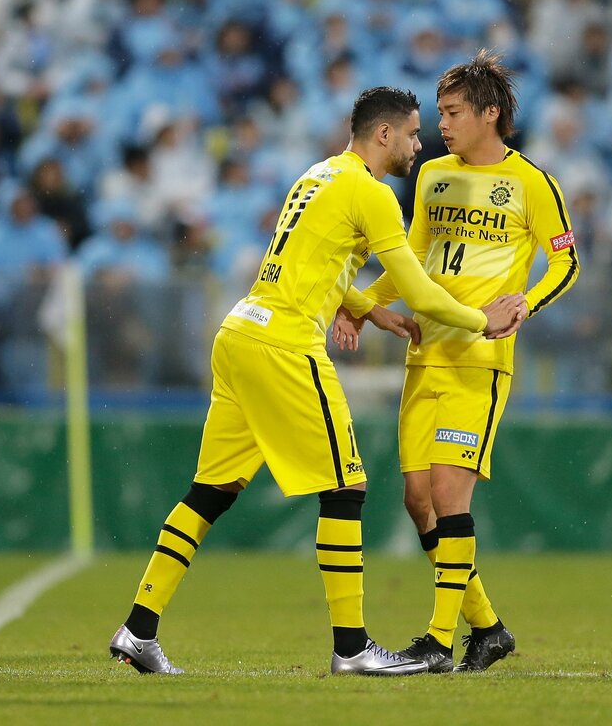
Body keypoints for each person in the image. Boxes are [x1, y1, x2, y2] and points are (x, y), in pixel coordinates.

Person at [108, 86, 525, 678]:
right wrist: (484, 320)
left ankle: (139, 628)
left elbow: (309, 260)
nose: (418, 142)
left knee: (209, 492)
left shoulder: (317, 176)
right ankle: (352, 647)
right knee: (347, 487)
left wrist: (369, 308)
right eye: (411, 133)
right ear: (384, 135)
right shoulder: (373, 193)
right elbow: (421, 287)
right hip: (285, 344)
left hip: (239, 332)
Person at [337, 53, 579, 673]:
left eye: (451, 113)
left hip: (481, 359)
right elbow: (410, 261)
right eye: (439, 113)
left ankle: (438, 643)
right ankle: (489, 628)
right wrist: (365, 307)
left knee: (448, 492)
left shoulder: (531, 183)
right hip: (426, 355)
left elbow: (566, 262)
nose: (441, 125)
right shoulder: (432, 177)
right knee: (419, 500)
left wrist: (526, 301)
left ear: (489, 114)